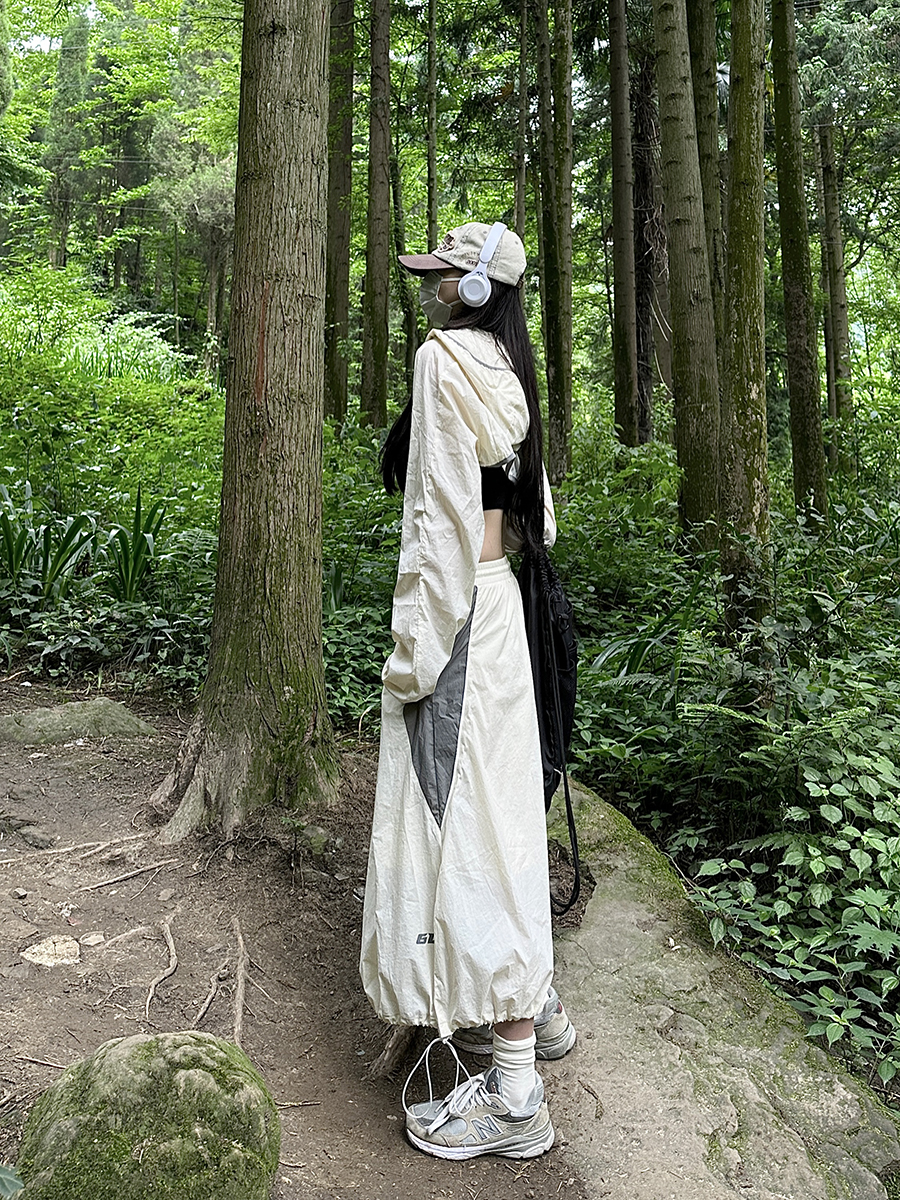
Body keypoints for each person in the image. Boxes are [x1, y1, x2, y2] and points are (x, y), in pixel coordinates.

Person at [359, 221, 575, 1161]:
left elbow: (437, 525)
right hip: (502, 613)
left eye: (445, 274)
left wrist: (412, 656)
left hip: (457, 623)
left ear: (476, 288)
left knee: (464, 830)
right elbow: (536, 519)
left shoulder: (443, 361)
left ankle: (516, 1094)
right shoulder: (512, 365)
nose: (433, 285)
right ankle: (536, 1007)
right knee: (502, 812)